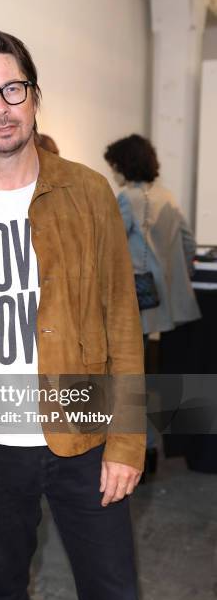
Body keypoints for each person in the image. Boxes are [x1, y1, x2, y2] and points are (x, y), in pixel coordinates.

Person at [0, 29, 145, 600]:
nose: (1, 108)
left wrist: (128, 442)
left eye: (13, 89)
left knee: (113, 592)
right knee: (3, 592)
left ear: (35, 96)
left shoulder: (89, 194)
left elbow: (123, 323)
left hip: (82, 423)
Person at [104, 133, 201, 477]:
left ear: (123, 164)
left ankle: (138, 454)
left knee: (130, 381)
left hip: (134, 301)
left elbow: (110, 246)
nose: (113, 172)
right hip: (160, 304)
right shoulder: (166, 196)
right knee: (143, 378)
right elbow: (188, 243)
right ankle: (147, 454)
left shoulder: (128, 198)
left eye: (114, 165)